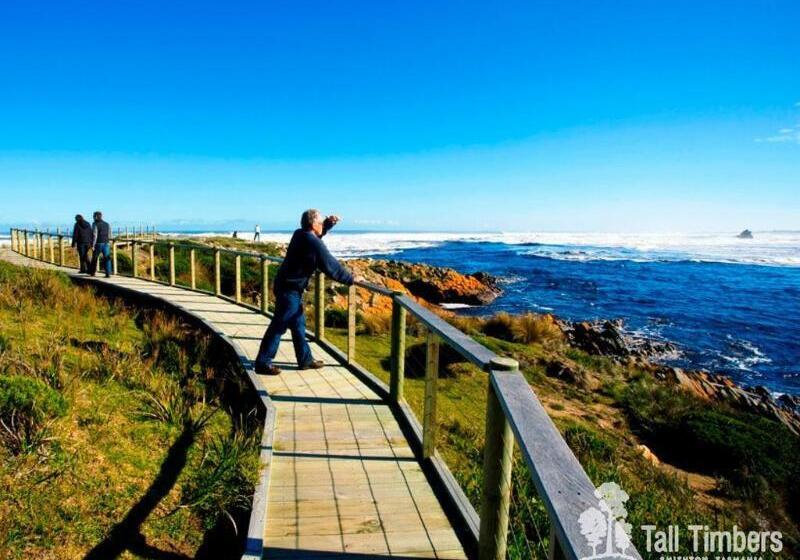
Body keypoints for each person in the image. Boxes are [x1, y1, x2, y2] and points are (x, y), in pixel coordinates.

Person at [254, 210, 355, 375]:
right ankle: (263, 362)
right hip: (289, 290)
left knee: (298, 324)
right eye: (321, 222)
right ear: (313, 225)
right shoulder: (311, 241)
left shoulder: (300, 234)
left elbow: (314, 239)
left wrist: (327, 224)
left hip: (286, 286)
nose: (322, 224)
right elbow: (330, 265)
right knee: (279, 325)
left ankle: (305, 360)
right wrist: (351, 279)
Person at [90, 211, 112, 278]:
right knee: (107, 258)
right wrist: (109, 242)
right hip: (106, 243)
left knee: (95, 258)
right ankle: (108, 273)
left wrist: (93, 245)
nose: (93, 217)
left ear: (96, 216)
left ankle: (93, 272)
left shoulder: (95, 224)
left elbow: (95, 235)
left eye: (94, 216)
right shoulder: (107, 224)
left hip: (98, 243)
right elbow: (110, 234)